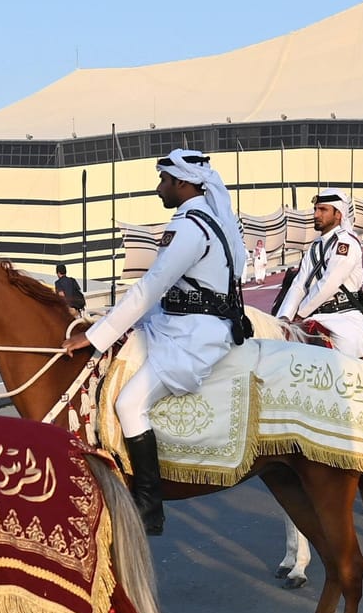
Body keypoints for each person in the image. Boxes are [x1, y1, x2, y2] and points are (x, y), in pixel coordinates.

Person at [60, 149, 246, 534]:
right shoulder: (204, 219)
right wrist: (109, 326)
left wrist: (95, 336)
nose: (159, 187)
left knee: (129, 404)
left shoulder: (192, 227)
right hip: (176, 323)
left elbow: (151, 285)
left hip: (194, 335)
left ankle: (149, 503)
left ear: (182, 182)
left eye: (164, 180)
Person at [273, 189, 363, 358]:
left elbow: (329, 283)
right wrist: (283, 319)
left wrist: (300, 313)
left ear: (338, 214)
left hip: (344, 318)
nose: (316, 214)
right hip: (314, 316)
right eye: (315, 209)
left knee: (345, 364)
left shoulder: (346, 243)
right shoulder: (315, 246)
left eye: (323, 210)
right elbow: (299, 284)